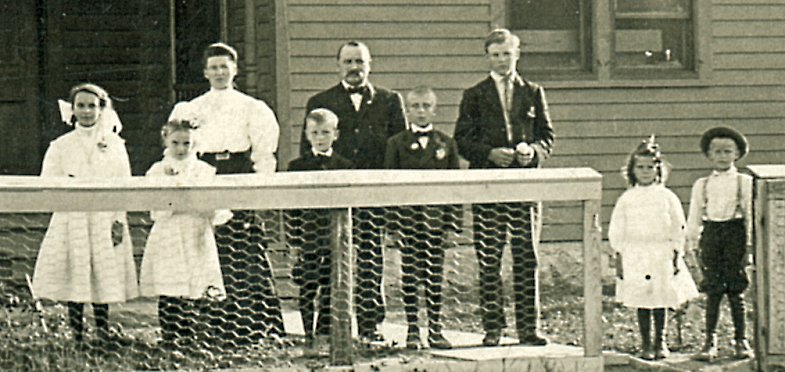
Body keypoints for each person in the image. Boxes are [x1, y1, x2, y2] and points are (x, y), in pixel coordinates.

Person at [168, 42, 284, 348]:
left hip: (238, 176)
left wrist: (259, 189)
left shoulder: (252, 108)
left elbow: (263, 154)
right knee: (202, 247)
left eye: (225, 66)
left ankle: (251, 330)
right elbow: (177, 150)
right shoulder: (190, 108)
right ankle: (201, 331)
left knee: (243, 251)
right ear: (205, 72)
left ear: (235, 70)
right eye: (214, 67)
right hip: (202, 176)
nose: (219, 72)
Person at [454, 28, 555, 346]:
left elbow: (547, 137)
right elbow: (463, 140)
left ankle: (529, 327)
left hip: (524, 186)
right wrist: (488, 153)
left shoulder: (533, 92)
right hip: (488, 186)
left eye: (506, 54)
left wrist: (533, 151)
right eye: (495, 54)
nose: (501, 60)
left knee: (527, 256)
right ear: (488, 57)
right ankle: (493, 328)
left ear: (517, 54)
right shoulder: (474, 94)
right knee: (489, 257)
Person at [301, 40, 406, 341]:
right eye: (348, 62)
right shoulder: (320, 101)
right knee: (330, 258)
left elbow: (399, 151)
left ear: (369, 64)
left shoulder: (389, 100)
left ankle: (371, 325)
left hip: (372, 194)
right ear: (338, 65)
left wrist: (391, 197)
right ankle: (329, 325)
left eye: (359, 61)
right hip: (333, 194)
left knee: (371, 258)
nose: (354, 68)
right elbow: (308, 154)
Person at [32, 83, 138, 348]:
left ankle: (102, 333)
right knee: (76, 272)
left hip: (103, 216)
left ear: (102, 109)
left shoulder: (114, 144)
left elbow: (123, 183)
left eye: (92, 105)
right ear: (73, 109)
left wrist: (117, 218)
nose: (87, 111)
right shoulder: (60, 145)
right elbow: (49, 181)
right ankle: (77, 335)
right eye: (81, 105)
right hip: (73, 217)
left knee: (101, 272)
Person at [140, 119, 231, 350]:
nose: (181, 149)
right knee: (170, 284)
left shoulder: (204, 170)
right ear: (166, 141)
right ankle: (170, 338)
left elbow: (213, 206)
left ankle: (198, 338)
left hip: (196, 232)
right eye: (176, 143)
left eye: (187, 143)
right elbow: (156, 207)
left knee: (198, 283)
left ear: (195, 143)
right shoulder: (157, 171)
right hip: (169, 232)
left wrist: (198, 207)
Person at [608, 136, 699, 360]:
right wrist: (619, 253)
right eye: (640, 167)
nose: (645, 171)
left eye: (650, 167)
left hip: (661, 253)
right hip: (636, 253)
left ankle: (661, 340)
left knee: (661, 297)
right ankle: (646, 343)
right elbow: (617, 229)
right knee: (642, 299)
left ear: (658, 170)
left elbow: (679, 225)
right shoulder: (627, 198)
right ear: (632, 170)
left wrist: (677, 252)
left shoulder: (667, 196)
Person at [385, 86, 459, 350]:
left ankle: (436, 329)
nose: (421, 111)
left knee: (434, 275)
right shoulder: (396, 143)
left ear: (435, 110)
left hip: (435, 221)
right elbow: (390, 187)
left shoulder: (446, 143)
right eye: (415, 106)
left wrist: (452, 225)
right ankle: (413, 330)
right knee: (410, 275)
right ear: (407, 111)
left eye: (426, 106)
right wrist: (392, 225)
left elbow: (455, 188)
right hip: (408, 221)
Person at [286, 108, 353, 347]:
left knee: (331, 285)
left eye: (325, 132)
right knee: (307, 286)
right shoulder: (296, 167)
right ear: (306, 134)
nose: (320, 137)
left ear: (336, 134)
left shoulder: (344, 165)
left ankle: (325, 331)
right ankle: (306, 333)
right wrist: (293, 240)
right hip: (308, 236)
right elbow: (291, 208)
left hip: (334, 235)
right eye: (315, 132)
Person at [687, 126, 754, 361]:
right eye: (717, 151)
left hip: (735, 233)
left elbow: (750, 214)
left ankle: (740, 340)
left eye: (728, 151)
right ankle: (709, 342)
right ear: (709, 155)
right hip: (712, 234)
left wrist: (749, 245)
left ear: (737, 154)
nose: (723, 156)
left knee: (736, 290)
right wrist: (692, 243)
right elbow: (695, 215)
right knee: (713, 289)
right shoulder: (702, 184)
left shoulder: (744, 182)